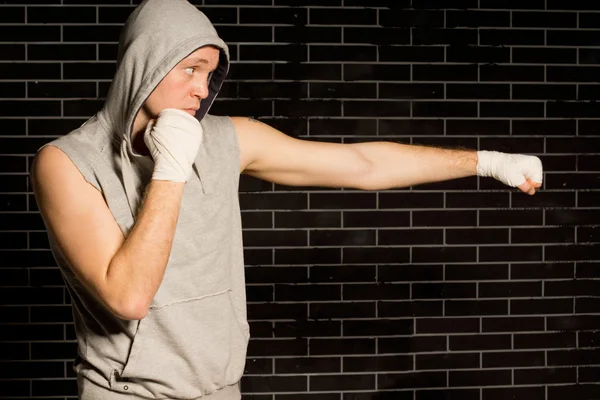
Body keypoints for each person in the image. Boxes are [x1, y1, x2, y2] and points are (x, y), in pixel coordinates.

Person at [30, 0, 543, 399]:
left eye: (210, 74)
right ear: (143, 62)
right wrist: (170, 167)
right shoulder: (67, 162)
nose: (202, 89)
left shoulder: (228, 139)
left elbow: (362, 165)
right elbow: (128, 297)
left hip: (221, 390)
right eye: (190, 69)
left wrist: (486, 160)